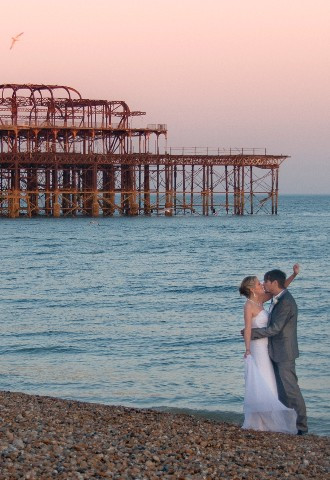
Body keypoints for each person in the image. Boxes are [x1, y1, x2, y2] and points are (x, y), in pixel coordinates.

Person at [239, 265, 303, 434]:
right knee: (264, 382)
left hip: (269, 348)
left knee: (272, 384)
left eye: (264, 282)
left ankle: (277, 421)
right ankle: (261, 421)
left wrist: (294, 275)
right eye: (258, 283)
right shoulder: (249, 306)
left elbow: (282, 288)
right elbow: (247, 329)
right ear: (252, 289)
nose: (262, 284)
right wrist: (247, 349)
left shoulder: (261, 301)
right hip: (258, 348)